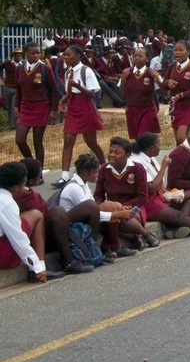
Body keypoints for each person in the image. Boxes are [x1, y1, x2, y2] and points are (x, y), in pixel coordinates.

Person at [57, 153, 133, 266]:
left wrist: (120, 209)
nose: (97, 175)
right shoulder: (74, 188)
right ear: (85, 172)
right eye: (95, 172)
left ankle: (111, 245)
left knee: (115, 205)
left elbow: (95, 209)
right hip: (73, 227)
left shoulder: (84, 183)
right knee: (112, 209)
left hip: (84, 220)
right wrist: (117, 214)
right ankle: (100, 249)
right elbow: (92, 212)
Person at [95, 137, 162, 255]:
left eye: (117, 152)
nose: (112, 155)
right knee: (112, 217)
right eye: (110, 151)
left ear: (127, 155)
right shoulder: (104, 169)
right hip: (114, 207)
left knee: (126, 216)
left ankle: (140, 235)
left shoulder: (137, 168)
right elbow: (98, 194)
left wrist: (125, 207)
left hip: (135, 206)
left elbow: (142, 197)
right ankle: (141, 235)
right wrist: (102, 206)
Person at [56, 45, 106, 187]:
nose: (66, 57)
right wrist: (62, 101)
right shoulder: (68, 72)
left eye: (69, 55)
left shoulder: (86, 70)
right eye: (64, 55)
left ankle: (104, 165)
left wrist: (78, 87)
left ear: (78, 56)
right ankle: (64, 175)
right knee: (68, 138)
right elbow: (69, 92)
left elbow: (92, 93)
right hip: (73, 106)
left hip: (85, 106)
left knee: (90, 141)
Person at [0, 162, 56, 283]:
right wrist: (37, 267)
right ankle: (41, 264)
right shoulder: (7, 203)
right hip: (2, 254)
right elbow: (18, 239)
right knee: (37, 214)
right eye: (23, 184)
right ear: (15, 187)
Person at [13, 42, 59, 172]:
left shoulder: (45, 69)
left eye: (38, 53)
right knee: (20, 140)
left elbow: (54, 91)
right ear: (26, 54)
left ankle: (38, 173)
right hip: (25, 107)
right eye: (33, 53)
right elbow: (19, 89)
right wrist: (16, 105)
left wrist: (53, 109)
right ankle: (32, 164)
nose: (36, 55)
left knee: (37, 141)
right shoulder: (20, 69)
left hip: (41, 107)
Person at [163, 40, 190, 145]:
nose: (177, 52)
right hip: (174, 107)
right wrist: (168, 82)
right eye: (175, 50)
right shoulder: (172, 66)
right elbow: (164, 84)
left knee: (182, 137)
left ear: (188, 52)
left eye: (181, 50)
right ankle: (182, 159)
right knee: (178, 141)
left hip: (188, 107)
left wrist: (182, 95)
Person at [120, 48, 162, 139]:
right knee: (136, 138)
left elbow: (164, 91)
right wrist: (123, 80)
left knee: (142, 136)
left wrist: (157, 80)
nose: (137, 58)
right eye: (135, 56)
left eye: (140, 56)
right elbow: (122, 95)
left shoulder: (151, 73)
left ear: (147, 58)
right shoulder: (126, 73)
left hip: (147, 109)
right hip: (131, 109)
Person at [1, 47, 23, 129]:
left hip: (17, 88)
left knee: (14, 106)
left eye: (20, 56)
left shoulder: (23, 65)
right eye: (17, 55)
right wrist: (2, 77)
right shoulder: (7, 63)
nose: (19, 57)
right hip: (8, 87)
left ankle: (14, 125)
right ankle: (10, 123)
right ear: (13, 56)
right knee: (8, 106)